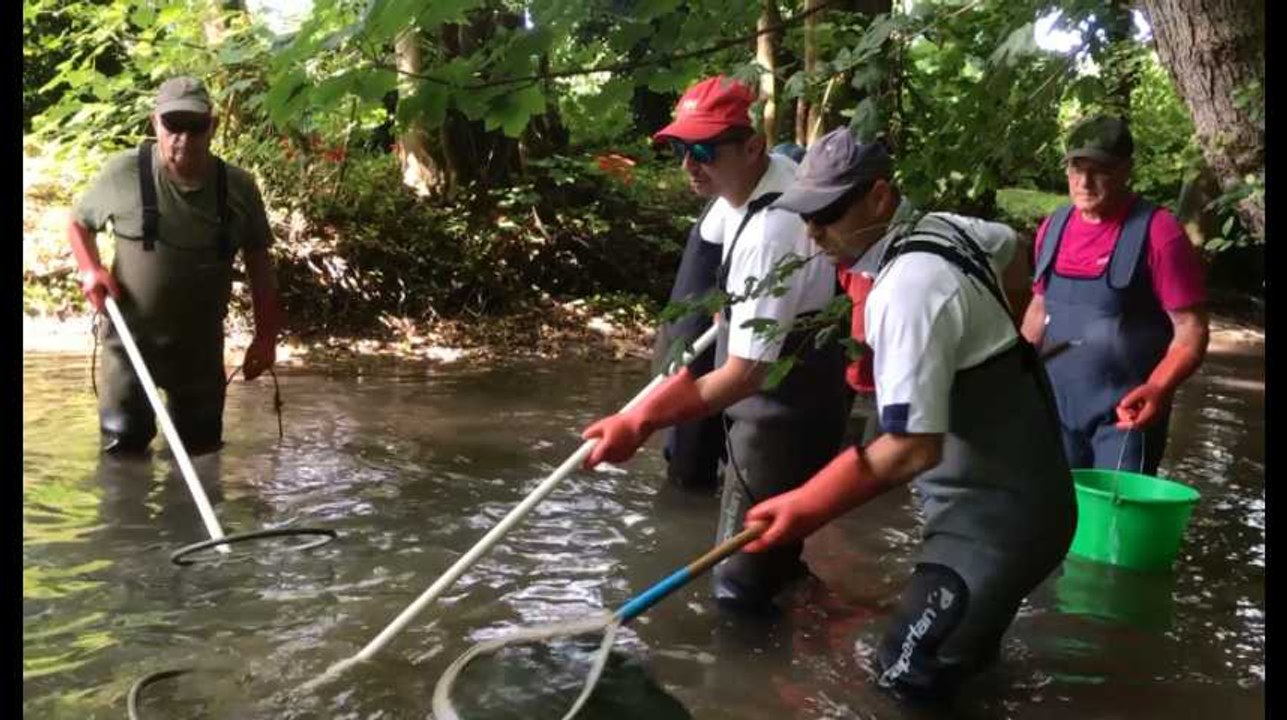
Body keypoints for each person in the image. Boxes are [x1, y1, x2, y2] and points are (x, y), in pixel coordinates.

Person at [740, 127, 1077, 702]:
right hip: (1024, 503)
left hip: (998, 527)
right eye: (805, 213)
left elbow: (912, 449)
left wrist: (803, 506)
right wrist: (1011, 335)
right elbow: (1011, 246)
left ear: (878, 197)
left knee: (903, 676)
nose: (814, 232)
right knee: (962, 662)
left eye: (828, 212)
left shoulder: (908, 290)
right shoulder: (946, 227)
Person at [580, 75, 851, 611]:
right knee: (769, 556)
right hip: (777, 378)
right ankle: (811, 604)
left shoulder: (771, 232)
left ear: (753, 145)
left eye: (703, 150)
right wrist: (675, 375)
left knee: (737, 586)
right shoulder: (748, 186)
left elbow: (745, 374)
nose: (688, 164)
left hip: (784, 406)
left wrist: (642, 421)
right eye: (681, 149)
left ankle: (766, 678)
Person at [68, 76, 284, 456]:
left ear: (213, 127)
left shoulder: (239, 187)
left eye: (196, 126)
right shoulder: (123, 174)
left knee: (201, 454)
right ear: (156, 124)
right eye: (173, 126)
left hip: (199, 354)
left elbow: (259, 264)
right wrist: (90, 269)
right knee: (123, 453)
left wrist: (266, 338)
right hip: (130, 347)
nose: (184, 138)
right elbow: (78, 224)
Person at [1020, 115, 1209, 476]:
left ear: (1125, 171)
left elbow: (1191, 329)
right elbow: (1039, 308)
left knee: (1114, 529)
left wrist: (1158, 387)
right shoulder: (1052, 227)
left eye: (1100, 170)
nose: (1084, 183)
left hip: (1126, 419)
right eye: (1076, 168)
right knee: (1056, 525)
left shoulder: (1159, 232)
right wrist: (1012, 377)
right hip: (1056, 412)